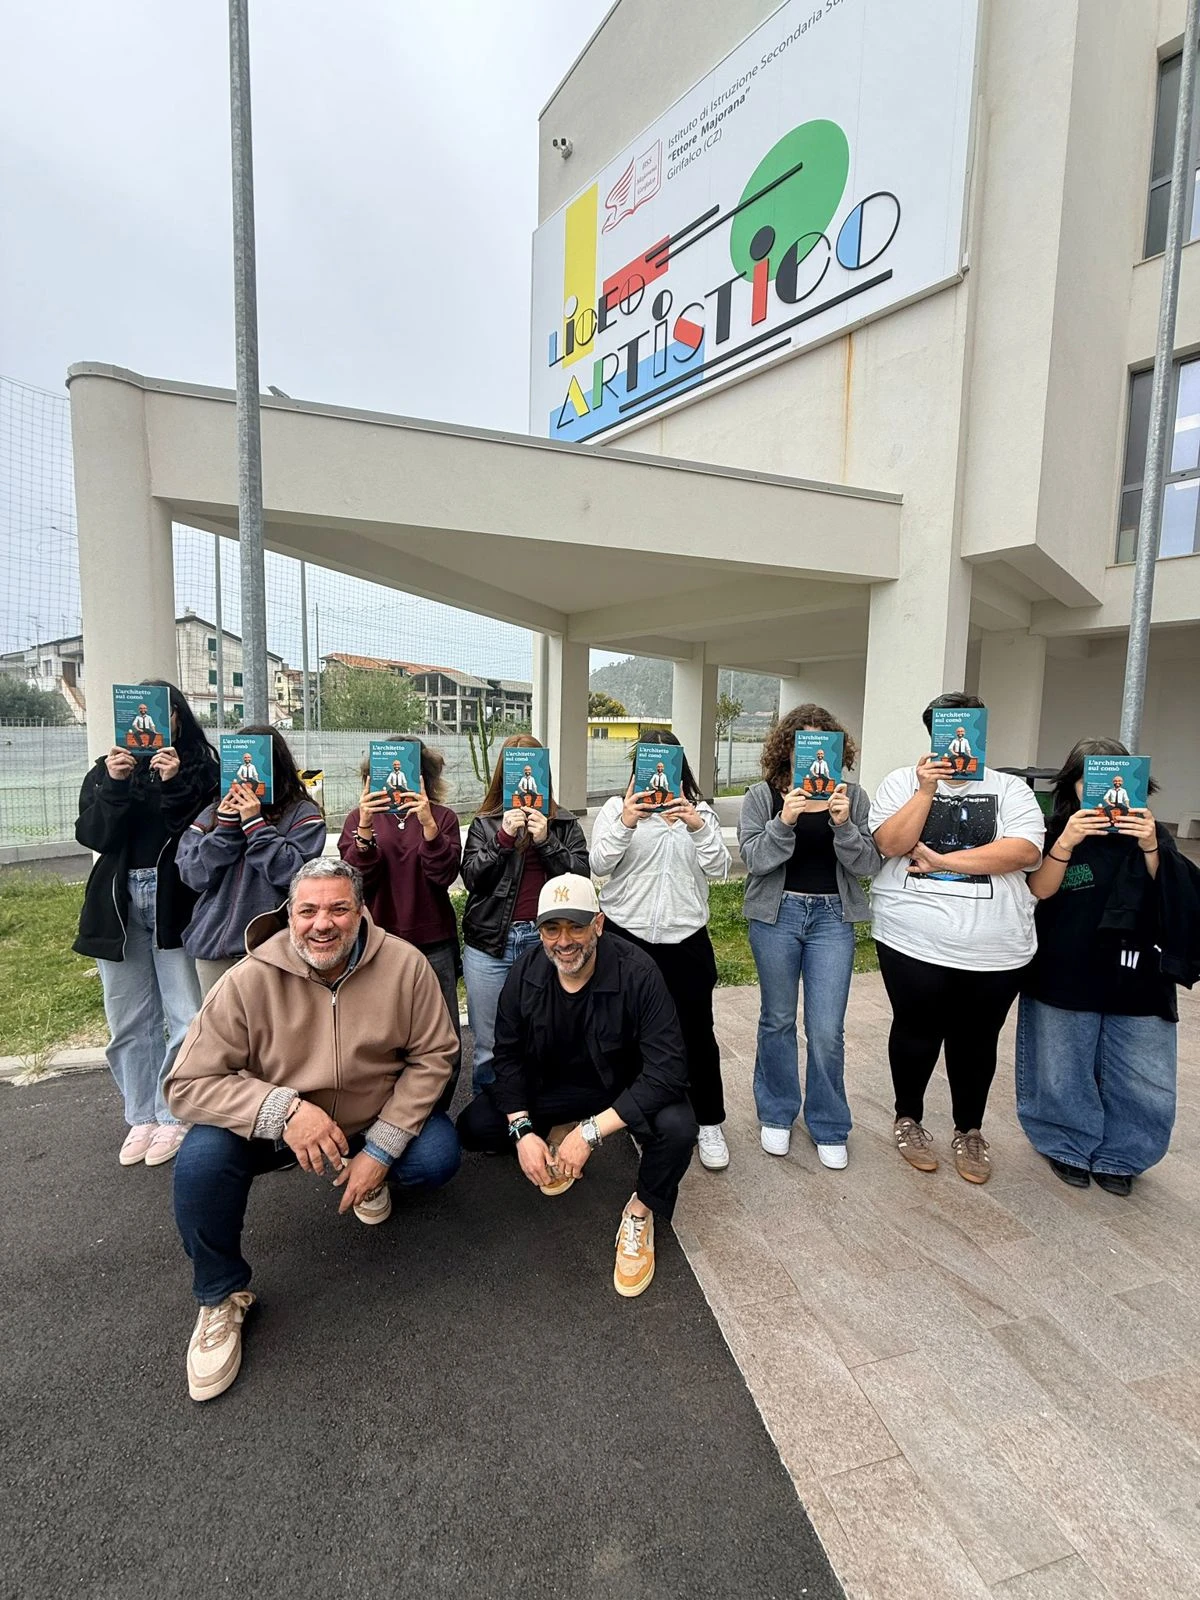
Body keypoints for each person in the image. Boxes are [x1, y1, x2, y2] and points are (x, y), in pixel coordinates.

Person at [167, 859, 461, 1402]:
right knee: (202, 1161)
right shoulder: (248, 978)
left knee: (438, 1154)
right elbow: (186, 1082)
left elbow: (435, 1055)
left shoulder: (405, 965)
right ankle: (219, 1297)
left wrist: (381, 1148)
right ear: (289, 914)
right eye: (307, 910)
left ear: (361, 912)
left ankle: (371, 1178)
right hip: (278, 1128)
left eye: (337, 908)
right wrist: (283, 1110)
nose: (321, 923)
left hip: (372, 1119)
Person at [456, 875, 697, 1299]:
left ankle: (641, 1211)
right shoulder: (526, 971)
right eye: (552, 928)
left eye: (576, 926)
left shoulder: (638, 972)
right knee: (474, 1127)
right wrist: (522, 1131)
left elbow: (668, 1069)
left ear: (599, 925)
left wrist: (591, 1133)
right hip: (552, 1087)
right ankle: (557, 1126)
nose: (564, 941)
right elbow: (507, 1056)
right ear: (539, 931)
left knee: (678, 1127)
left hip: (620, 1090)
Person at [870, 693, 1045, 1184]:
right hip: (911, 940)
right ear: (933, 732)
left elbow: (1025, 851)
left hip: (998, 946)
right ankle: (909, 1119)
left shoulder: (1010, 788)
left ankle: (969, 1130)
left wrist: (945, 862)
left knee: (977, 1040)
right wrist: (926, 791)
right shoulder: (903, 781)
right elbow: (890, 844)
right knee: (915, 1029)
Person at [1017, 738, 1200, 1194]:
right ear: (1073, 784)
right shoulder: (1053, 828)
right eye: (1087, 779)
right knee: (1062, 1064)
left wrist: (1152, 848)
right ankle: (1065, 1143)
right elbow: (1038, 891)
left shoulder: (1152, 835)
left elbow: (1177, 899)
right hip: (1065, 965)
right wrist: (1067, 841)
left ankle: (1125, 1153)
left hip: (1139, 973)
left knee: (1142, 1071)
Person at [74, 680, 219, 1168]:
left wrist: (175, 783)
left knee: (185, 1013)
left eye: (165, 714)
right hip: (117, 903)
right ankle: (141, 1115)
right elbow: (93, 835)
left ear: (177, 718)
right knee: (128, 1019)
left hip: (175, 899)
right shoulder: (105, 771)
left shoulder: (202, 769)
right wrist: (115, 785)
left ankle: (175, 1111)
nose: (155, 724)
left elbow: (200, 836)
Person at [738, 705, 881, 1168]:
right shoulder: (763, 796)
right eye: (804, 742)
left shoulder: (852, 796)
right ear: (789, 748)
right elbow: (754, 860)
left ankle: (829, 1123)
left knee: (826, 1029)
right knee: (777, 1019)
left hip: (831, 919)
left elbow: (868, 865)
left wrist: (843, 825)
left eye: (824, 741)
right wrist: (785, 821)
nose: (815, 751)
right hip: (777, 916)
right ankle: (777, 1114)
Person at [589, 727, 732, 1170]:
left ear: (678, 765)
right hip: (625, 935)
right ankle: (637, 1116)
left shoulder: (700, 812)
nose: (656, 773)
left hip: (685, 938)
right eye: (647, 763)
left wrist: (697, 826)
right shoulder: (617, 808)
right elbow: (599, 865)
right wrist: (628, 821)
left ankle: (709, 1121)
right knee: (626, 1031)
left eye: (666, 762)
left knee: (696, 1034)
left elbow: (721, 869)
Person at [461, 734, 588, 1092]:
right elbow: (472, 878)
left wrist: (548, 840)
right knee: (488, 1043)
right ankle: (489, 1118)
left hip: (546, 940)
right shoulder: (486, 822)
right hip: (490, 944)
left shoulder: (563, 822)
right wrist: (501, 838)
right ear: (504, 775)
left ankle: (544, 1112)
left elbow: (581, 879)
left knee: (548, 1035)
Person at [338, 738, 462, 1105]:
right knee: (380, 1040)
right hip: (376, 945)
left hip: (433, 941)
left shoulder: (443, 818)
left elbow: (443, 875)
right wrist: (363, 829)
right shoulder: (358, 819)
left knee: (443, 1040)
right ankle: (384, 1118)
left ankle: (435, 1115)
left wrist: (427, 824)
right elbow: (355, 882)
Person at [176, 726, 326, 996]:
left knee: (275, 1031)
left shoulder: (302, 813)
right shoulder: (213, 813)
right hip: (215, 946)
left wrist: (255, 825)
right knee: (221, 1030)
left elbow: (294, 875)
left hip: (275, 947)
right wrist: (226, 829)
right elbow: (192, 875)